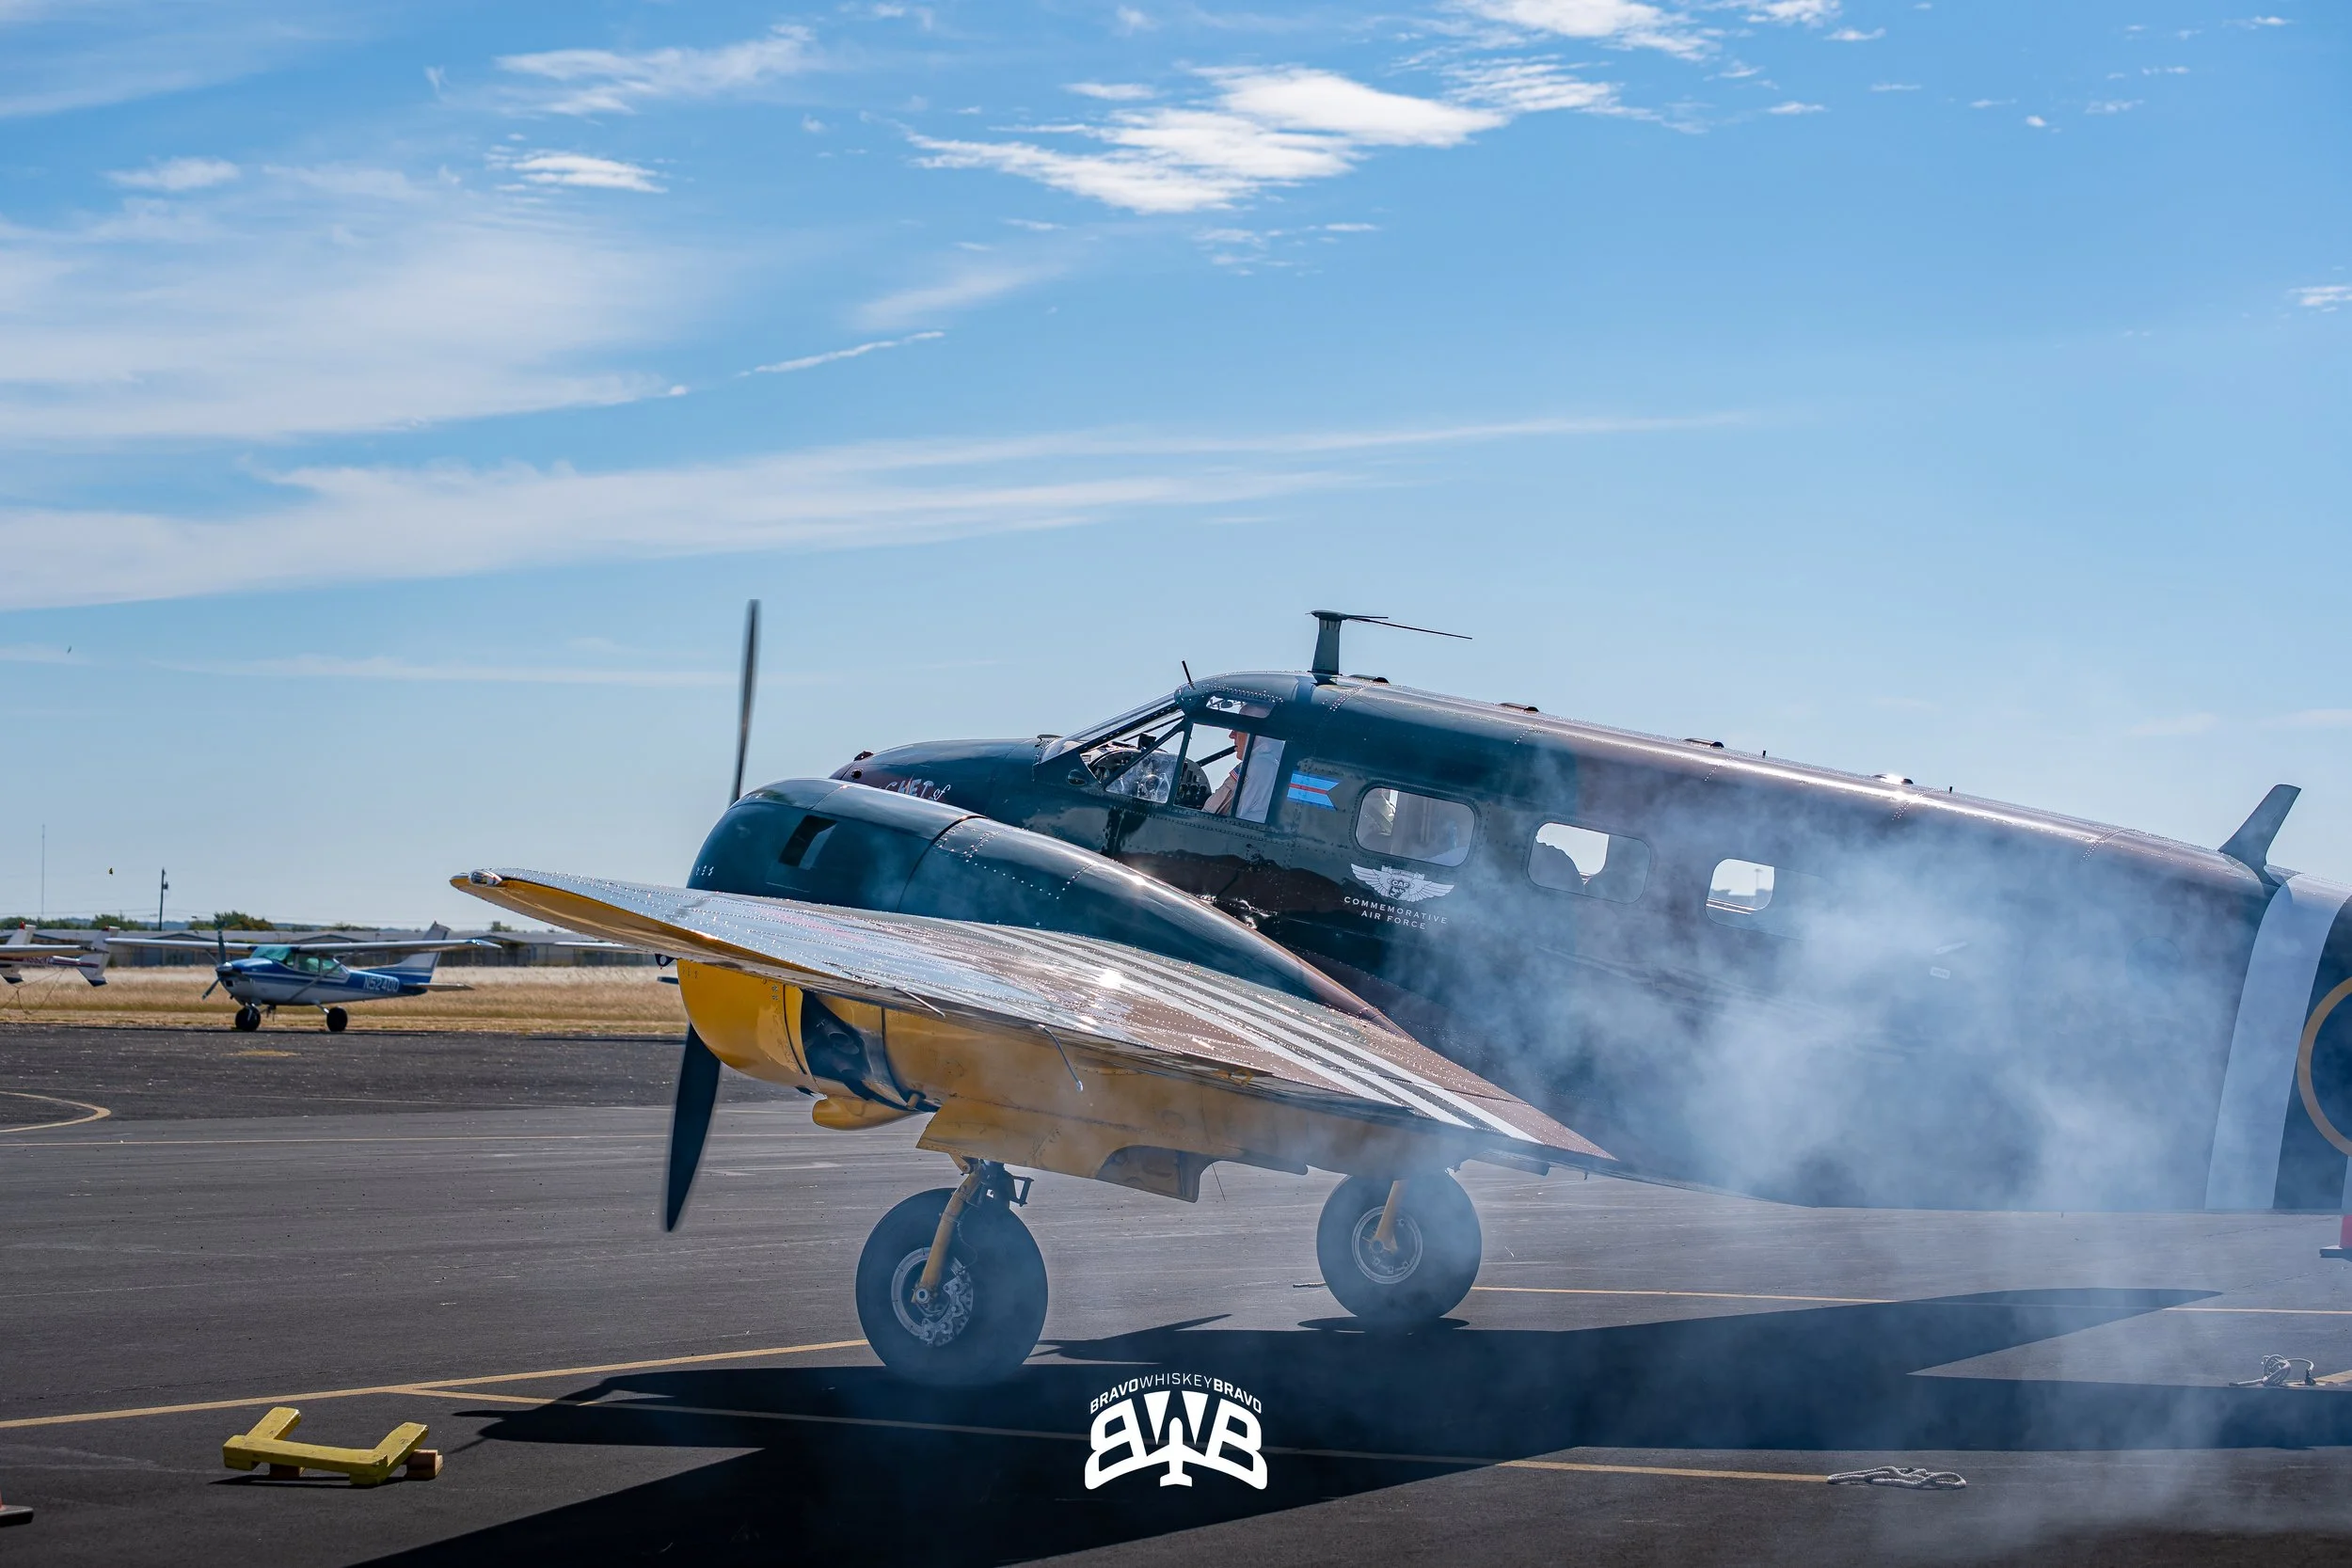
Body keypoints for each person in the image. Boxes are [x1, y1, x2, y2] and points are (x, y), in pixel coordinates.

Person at [1201, 730, 1250, 816]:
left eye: (1239, 729)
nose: (1231, 735)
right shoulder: (1273, 766)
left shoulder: (1249, 768)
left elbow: (1209, 812)